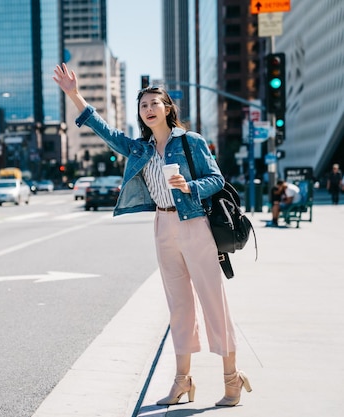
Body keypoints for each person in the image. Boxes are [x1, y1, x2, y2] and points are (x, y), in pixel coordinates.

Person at [53, 63, 252, 407]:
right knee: (178, 307)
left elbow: (216, 180)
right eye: (143, 105)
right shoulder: (140, 149)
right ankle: (181, 382)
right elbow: (103, 129)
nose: (148, 110)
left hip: (194, 225)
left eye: (154, 104)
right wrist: (73, 93)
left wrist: (189, 186)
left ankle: (232, 379)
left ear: (168, 108)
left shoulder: (190, 142)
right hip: (162, 226)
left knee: (212, 302)